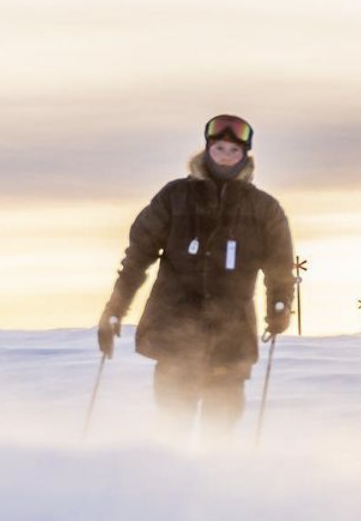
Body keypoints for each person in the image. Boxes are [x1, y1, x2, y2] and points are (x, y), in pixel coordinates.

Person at [97, 114, 295, 437]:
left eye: (234, 151)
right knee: (172, 424)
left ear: (245, 156)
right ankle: (169, 482)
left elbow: (280, 267)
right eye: (220, 149)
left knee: (220, 430)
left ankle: (216, 484)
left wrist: (280, 305)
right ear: (207, 150)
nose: (226, 157)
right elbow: (137, 258)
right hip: (175, 334)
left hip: (231, 339)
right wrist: (114, 310)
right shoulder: (174, 198)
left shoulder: (264, 209)